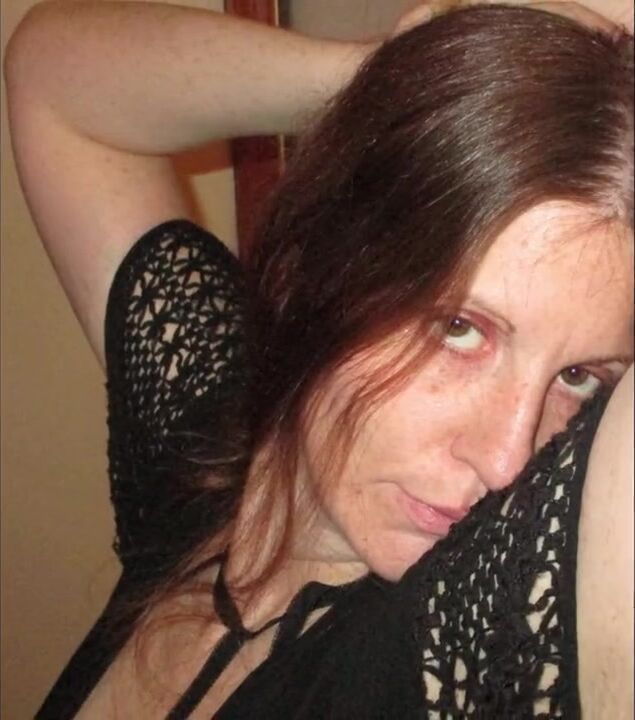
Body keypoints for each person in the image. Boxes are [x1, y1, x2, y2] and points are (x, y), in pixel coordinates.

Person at [4, 1, 633, 718]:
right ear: (321, 263)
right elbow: (53, 77)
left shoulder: (463, 650)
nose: (507, 461)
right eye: (460, 328)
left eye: (578, 378)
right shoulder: (200, 461)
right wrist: (391, 78)